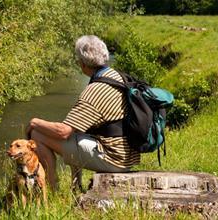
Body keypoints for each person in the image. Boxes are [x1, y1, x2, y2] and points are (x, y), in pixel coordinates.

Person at [26, 35, 140, 189]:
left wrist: (34, 122)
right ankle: (75, 186)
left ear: (83, 63)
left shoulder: (94, 90)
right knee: (76, 132)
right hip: (128, 155)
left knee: (37, 134)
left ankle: (52, 187)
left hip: (114, 158)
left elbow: (63, 132)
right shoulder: (117, 76)